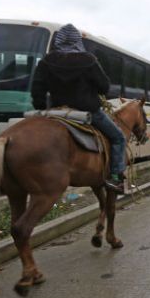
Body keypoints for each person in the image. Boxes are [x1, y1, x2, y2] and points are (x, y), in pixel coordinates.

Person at [31, 23, 127, 193]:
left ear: (58, 41)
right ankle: (115, 177)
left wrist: (42, 108)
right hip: (88, 112)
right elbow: (104, 87)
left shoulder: (46, 61)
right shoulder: (88, 60)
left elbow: (37, 89)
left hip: (56, 112)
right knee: (118, 137)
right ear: (77, 41)